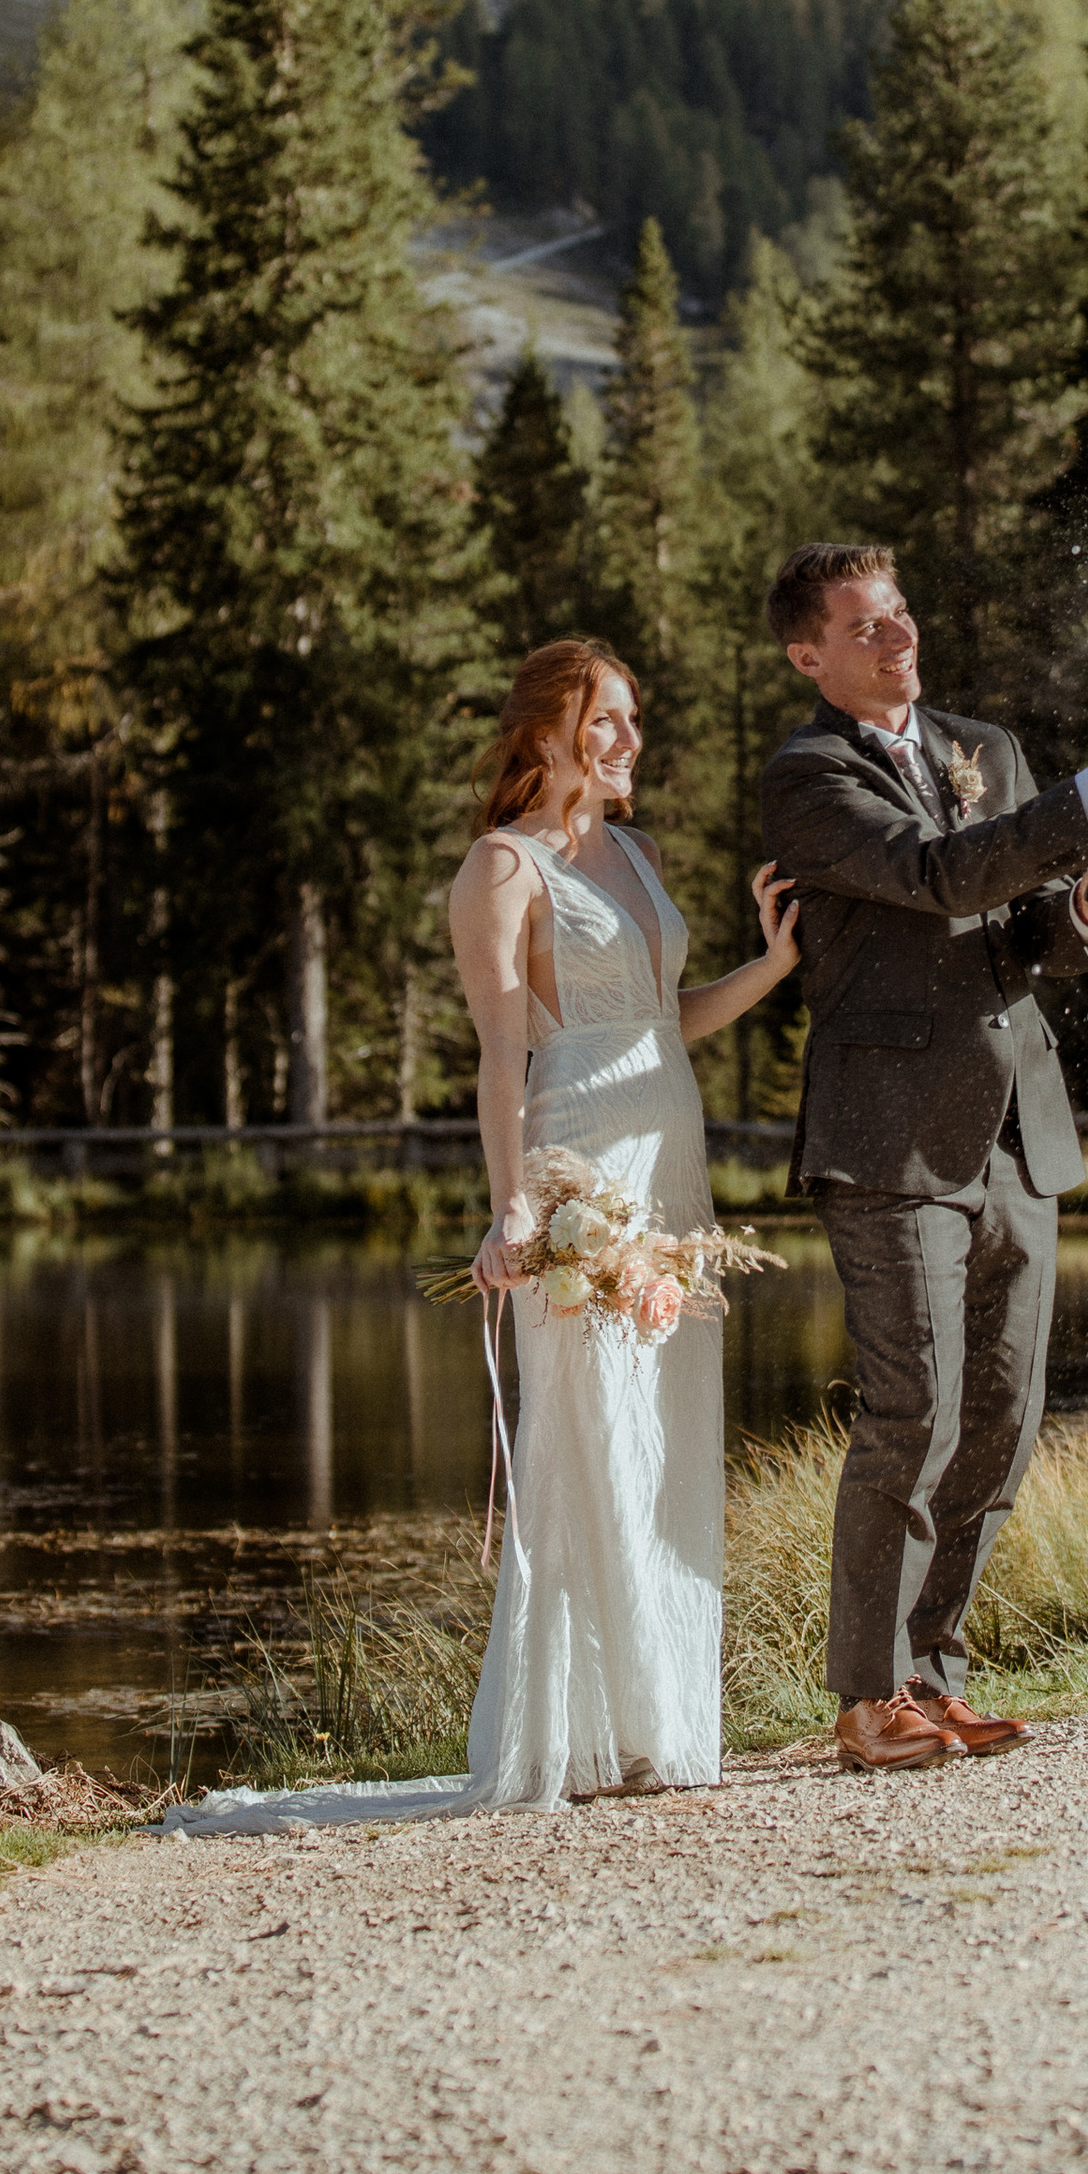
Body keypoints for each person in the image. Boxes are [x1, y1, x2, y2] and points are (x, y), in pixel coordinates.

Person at [756, 541, 1088, 1774]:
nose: (897, 637)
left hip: (1018, 1131)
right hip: (889, 1136)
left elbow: (1012, 928)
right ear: (809, 656)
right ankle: (864, 1702)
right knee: (915, 1411)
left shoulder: (984, 748)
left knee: (1003, 1419)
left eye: (899, 614)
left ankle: (933, 1678)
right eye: (864, 627)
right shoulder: (804, 777)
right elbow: (935, 874)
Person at [449, 637, 796, 1806]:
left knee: (662, 1432)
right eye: (606, 722)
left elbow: (666, 1019)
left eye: (632, 720)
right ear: (548, 734)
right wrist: (514, 1205)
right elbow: (504, 1054)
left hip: (671, 1159)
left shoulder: (638, 855)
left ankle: (652, 1724)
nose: (628, 741)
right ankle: (579, 1732)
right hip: (577, 1164)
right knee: (588, 1436)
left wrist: (773, 963)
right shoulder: (501, 868)